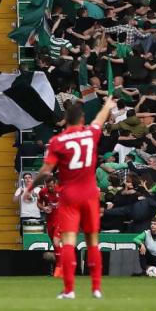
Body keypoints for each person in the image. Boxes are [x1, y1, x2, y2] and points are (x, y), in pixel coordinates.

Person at [27, 97, 117, 299]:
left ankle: (69, 290)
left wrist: (31, 187)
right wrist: (107, 106)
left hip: (69, 195)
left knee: (68, 241)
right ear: (82, 118)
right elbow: (99, 122)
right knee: (92, 241)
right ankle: (96, 288)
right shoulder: (89, 134)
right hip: (90, 194)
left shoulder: (57, 141)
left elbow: (46, 169)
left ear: (66, 119)